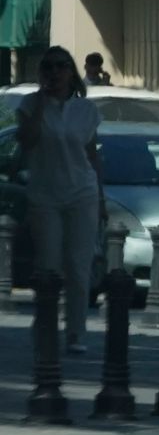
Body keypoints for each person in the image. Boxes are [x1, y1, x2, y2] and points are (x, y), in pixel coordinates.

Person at [16, 45, 103, 360]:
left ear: (71, 72)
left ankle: (76, 333)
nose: (54, 72)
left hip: (82, 193)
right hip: (45, 196)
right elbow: (27, 140)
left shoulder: (86, 111)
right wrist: (41, 100)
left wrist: (102, 200)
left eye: (60, 66)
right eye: (48, 67)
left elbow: (92, 155)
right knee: (48, 269)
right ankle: (45, 329)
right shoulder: (28, 104)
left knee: (79, 269)